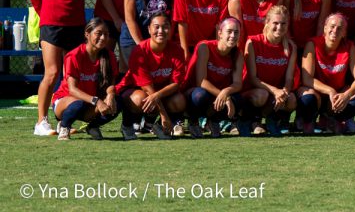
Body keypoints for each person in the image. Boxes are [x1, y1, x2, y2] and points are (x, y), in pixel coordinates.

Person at [29, 0, 93, 137]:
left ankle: (64, 121)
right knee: (52, 72)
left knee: (70, 75)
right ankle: (41, 122)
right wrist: (46, 14)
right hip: (53, 25)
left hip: (76, 24)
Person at [117, 11, 187, 140]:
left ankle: (156, 126)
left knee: (179, 101)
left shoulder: (177, 50)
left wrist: (157, 95)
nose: (161, 31)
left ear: (171, 29)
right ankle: (127, 125)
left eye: (165, 26)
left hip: (158, 93)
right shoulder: (139, 51)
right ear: (149, 29)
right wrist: (163, 114)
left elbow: (176, 83)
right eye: (156, 27)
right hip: (135, 90)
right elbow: (147, 88)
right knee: (140, 99)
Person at [298, 13, 355, 135]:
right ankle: (309, 121)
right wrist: (330, 90)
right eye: (332, 26)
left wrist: (346, 95)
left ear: (344, 33)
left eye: (339, 28)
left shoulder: (349, 47)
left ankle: (337, 119)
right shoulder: (312, 45)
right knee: (307, 98)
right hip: (318, 94)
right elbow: (307, 79)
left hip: (336, 97)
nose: (335, 30)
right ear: (325, 28)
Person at [51, 17, 118, 140]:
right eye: (99, 33)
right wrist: (97, 101)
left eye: (106, 34)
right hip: (67, 101)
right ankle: (64, 126)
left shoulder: (109, 56)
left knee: (117, 103)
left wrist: (111, 95)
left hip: (89, 103)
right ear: (87, 34)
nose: (103, 38)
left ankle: (93, 126)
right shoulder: (74, 55)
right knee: (78, 103)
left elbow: (111, 84)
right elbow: (72, 90)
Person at [242, 4, 298, 137]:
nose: (279, 27)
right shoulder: (253, 42)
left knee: (291, 99)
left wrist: (284, 92)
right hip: (254, 91)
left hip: (275, 93)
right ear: (267, 22)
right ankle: (251, 120)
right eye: (275, 23)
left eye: (283, 23)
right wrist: (275, 91)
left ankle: (274, 120)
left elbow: (289, 78)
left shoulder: (291, 47)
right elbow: (252, 78)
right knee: (261, 95)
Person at [184, 16, 245, 138]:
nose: (233, 35)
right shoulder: (205, 47)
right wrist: (224, 97)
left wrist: (226, 92)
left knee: (238, 99)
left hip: (217, 94)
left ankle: (213, 121)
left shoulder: (238, 54)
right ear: (220, 33)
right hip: (195, 92)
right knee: (200, 95)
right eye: (229, 31)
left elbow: (238, 84)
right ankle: (193, 121)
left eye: (236, 32)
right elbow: (201, 81)